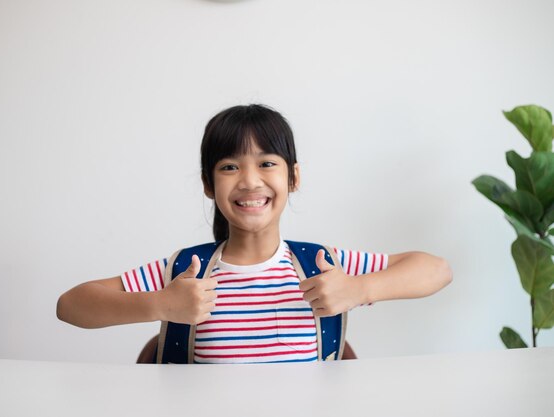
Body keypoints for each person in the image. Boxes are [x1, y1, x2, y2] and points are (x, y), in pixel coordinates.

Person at [57, 104, 452, 364]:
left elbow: (436, 270)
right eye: (229, 167)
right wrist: (162, 303)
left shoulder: (322, 266)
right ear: (208, 185)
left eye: (266, 163)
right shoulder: (187, 272)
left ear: (293, 176)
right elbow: (71, 305)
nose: (249, 181)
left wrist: (359, 290)